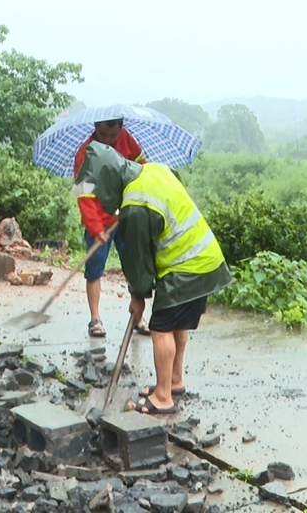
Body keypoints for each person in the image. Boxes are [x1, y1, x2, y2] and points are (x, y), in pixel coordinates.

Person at [73, 141, 233, 414]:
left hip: (187, 267)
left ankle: (163, 397)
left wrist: (138, 297)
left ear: (109, 181)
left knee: (160, 328)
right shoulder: (155, 170)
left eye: (100, 191)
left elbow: (139, 261)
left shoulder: (135, 205)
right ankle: (174, 380)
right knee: (176, 321)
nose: (100, 197)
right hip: (206, 258)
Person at [73, 118, 150, 338]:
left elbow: (142, 170)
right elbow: (85, 195)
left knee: (135, 267)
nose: (108, 140)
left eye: (112, 136)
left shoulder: (128, 141)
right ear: (96, 128)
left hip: (126, 216)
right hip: (98, 217)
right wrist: (96, 227)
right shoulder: (85, 154)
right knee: (94, 270)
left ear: (120, 129)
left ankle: (138, 316)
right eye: (103, 135)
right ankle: (95, 319)